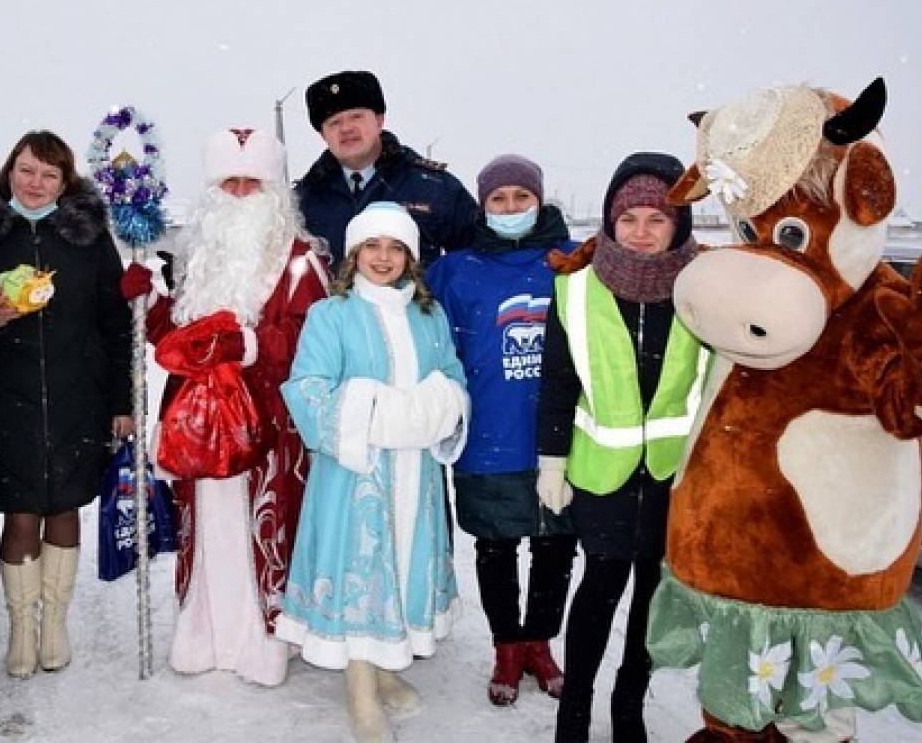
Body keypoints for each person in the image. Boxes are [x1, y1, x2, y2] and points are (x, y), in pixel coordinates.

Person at [119, 127, 329, 686]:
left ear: (274, 191)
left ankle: (265, 638)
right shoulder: (196, 258)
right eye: (229, 183)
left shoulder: (301, 260)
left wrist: (251, 345)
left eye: (252, 183)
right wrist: (151, 302)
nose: (239, 194)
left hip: (266, 422)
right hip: (196, 422)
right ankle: (202, 629)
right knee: (204, 528)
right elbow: (176, 341)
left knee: (263, 527)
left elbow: (316, 335)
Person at [276, 201, 469, 743]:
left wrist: (436, 407)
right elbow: (308, 388)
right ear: (354, 253)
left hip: (416, 473)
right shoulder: (331, 315)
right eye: (372, 246)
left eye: (395, 247)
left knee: (404, 568)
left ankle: (385, 668)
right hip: (355, 474)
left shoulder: (427, 315)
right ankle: (361, 693)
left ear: (410, 256)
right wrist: (377, 411)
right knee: (362, 570)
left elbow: (452, 379)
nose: (382, 258)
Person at [537, 152, 704, 743]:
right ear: (610, 220)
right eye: (627, 218)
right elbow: (557, 381)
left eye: (655, 220)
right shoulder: (575, 288)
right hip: (601, 474)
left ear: (678, 225)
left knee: (653, 598)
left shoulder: (700, 289)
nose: (640, 232)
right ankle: (574, 709)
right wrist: (550, 460)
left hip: (670, 476)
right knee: (601, 587)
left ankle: (629, 704)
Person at [0, 130, 132, 679]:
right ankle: (21, 628)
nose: (36, 184)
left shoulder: (86, 237)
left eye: (49, 174)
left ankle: (55, 624)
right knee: (19, 512)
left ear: (66, 183)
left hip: (74, 397)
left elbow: (115, 325)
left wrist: (121, 401)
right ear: (8, 170)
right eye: (27, 170)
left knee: (63, 507)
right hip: (3, 398)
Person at [426, 154, 578, 707]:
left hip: (559, 439)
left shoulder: (570, 266)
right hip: (488, 436)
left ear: (539, 202)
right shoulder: (454, 270)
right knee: (496, 548)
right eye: (499, 199)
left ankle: (540, 641)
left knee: (556, 546)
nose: (511, 208)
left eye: (521, 198)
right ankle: (507, 647)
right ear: (483, 206)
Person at [297, 70, 478, 267]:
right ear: (323, 135)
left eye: (356, 117)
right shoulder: (304, 201)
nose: (346, 129)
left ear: (379, 121)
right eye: (334, 122)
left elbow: (477, 260)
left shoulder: (432, 187)